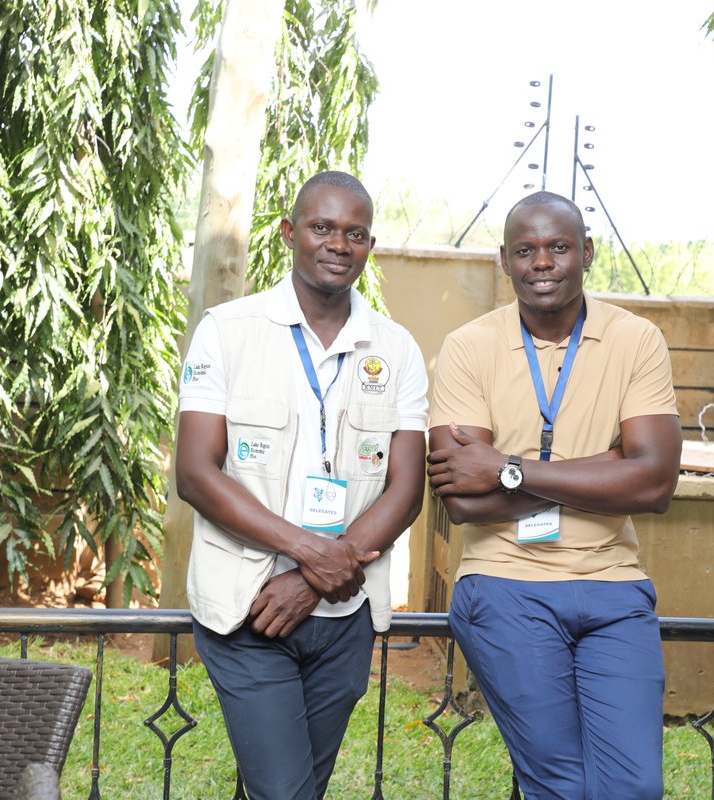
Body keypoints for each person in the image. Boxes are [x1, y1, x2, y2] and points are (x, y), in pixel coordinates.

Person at [175, 170, 427, 799]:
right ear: (290, 233)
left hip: (345, 615)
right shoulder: (227, 331)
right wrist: (314, 553)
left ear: (370, 246)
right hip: (248, 608)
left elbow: (406, 489)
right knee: (285, 794)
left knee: (292, 790)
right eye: (322, 227)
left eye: (356, 233)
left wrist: (316, 576)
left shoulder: (396, 351)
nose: (339, 244)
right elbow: (196, 473)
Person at [426, 191, 682, 800]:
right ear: (505, 262)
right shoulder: (469, 347)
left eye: (559, 247)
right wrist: (606, 471)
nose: (543, 261)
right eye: (526, 250)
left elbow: (655, 484)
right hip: (503, 580)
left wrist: (509, 469)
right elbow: (461, 501)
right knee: (562, 784)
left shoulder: (635, 340)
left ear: (586, 253)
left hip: (614, 585)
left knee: (634, 788)